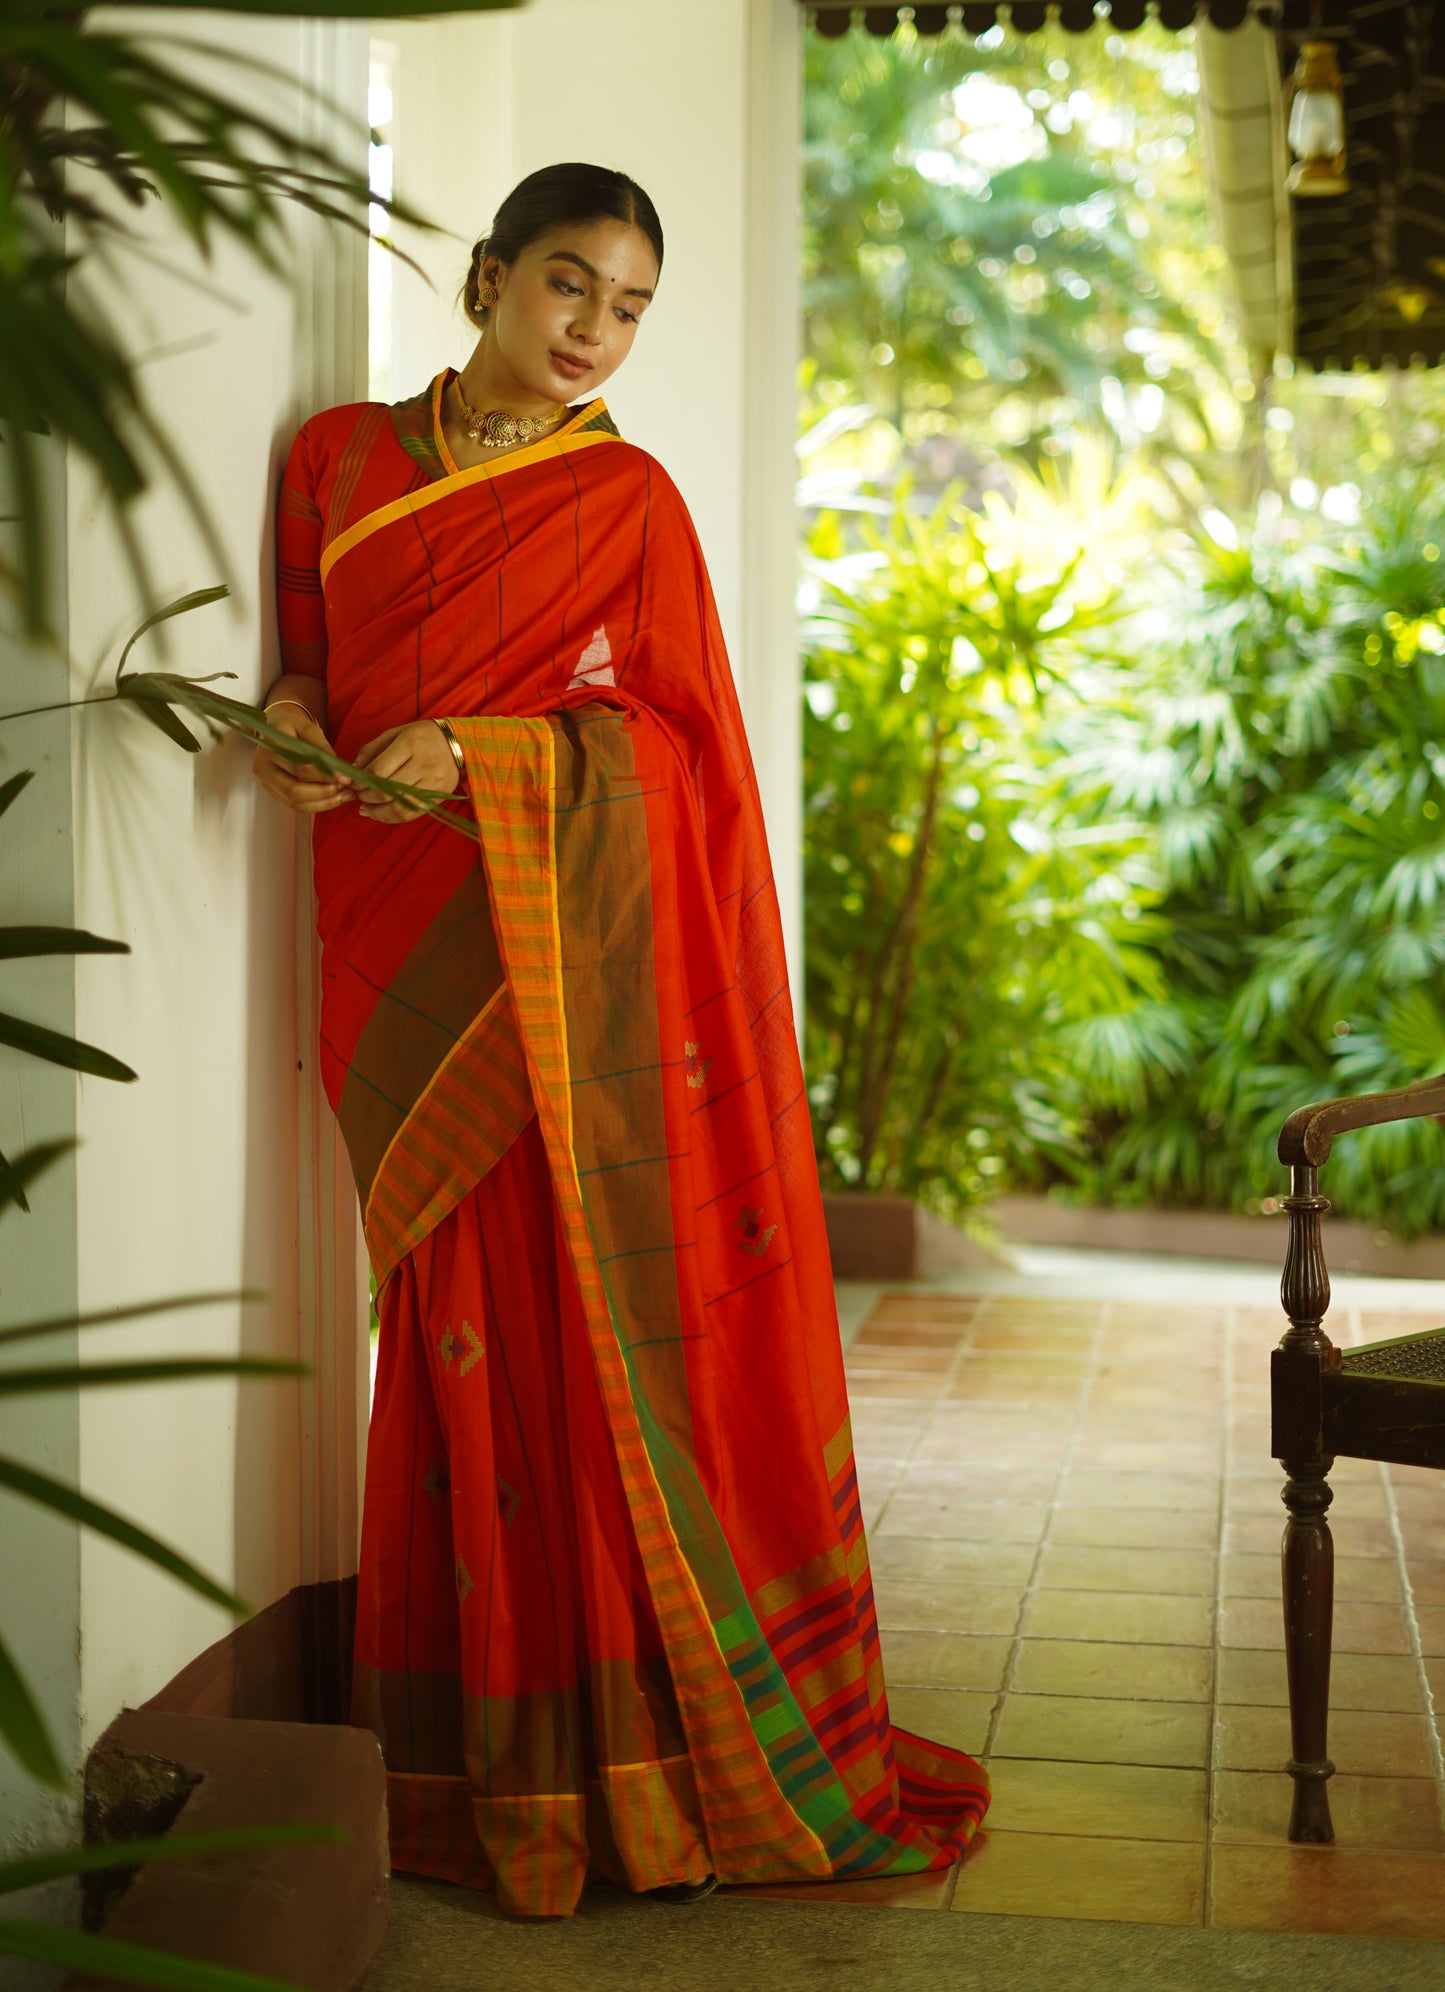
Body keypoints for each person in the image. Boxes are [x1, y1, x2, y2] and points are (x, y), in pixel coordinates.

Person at [255, 163, 988, 1919]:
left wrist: (489, 757)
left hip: (558, 981)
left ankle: (627, 1763)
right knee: (446, 1338)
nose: (593, 332)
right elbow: (306, 653)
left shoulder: (631, 500)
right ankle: (465, 1762)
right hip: (393, 948)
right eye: (568, 286)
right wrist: (293, 717)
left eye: (630, 306)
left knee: (573, 1345)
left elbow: (678, 764)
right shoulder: (339, 459)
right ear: (488, 275)